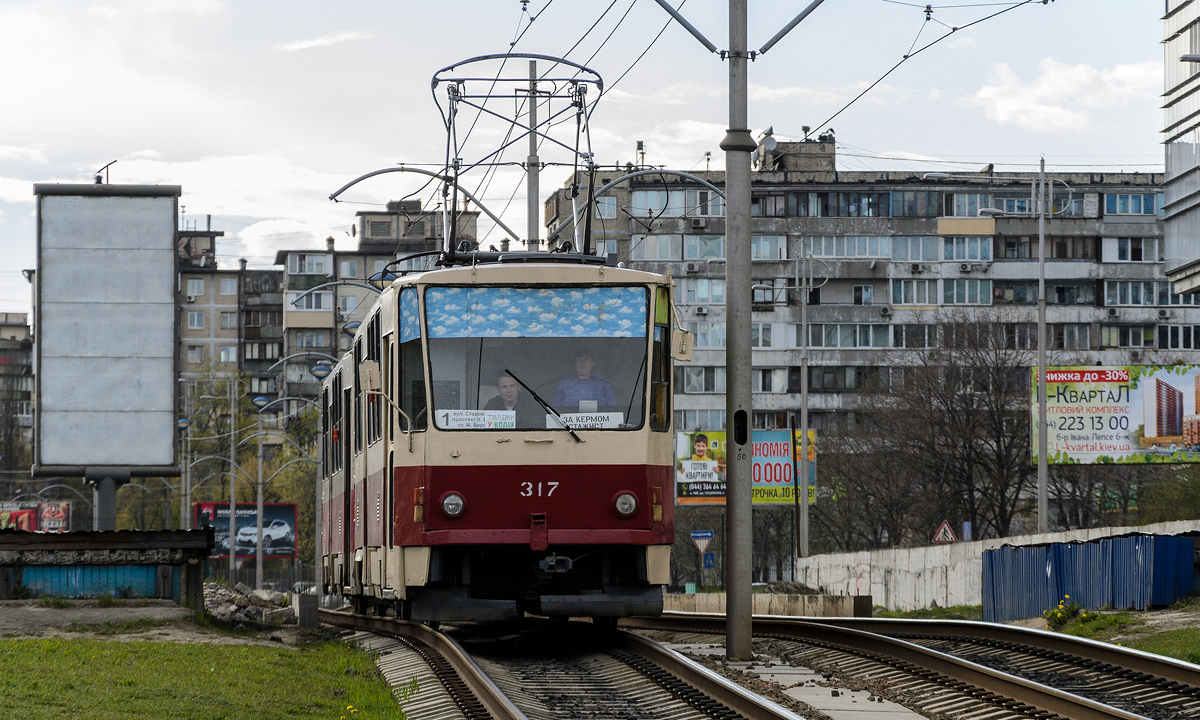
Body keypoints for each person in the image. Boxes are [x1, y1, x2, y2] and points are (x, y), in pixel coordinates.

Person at [551, 349, 616, 408]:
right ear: (575, 364)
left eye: (586, 360)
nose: (583, 363)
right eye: (579, 360)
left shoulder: (603, 383)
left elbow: (613, 409)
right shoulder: (563, 383)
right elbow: (555, 408)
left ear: (592, 364)